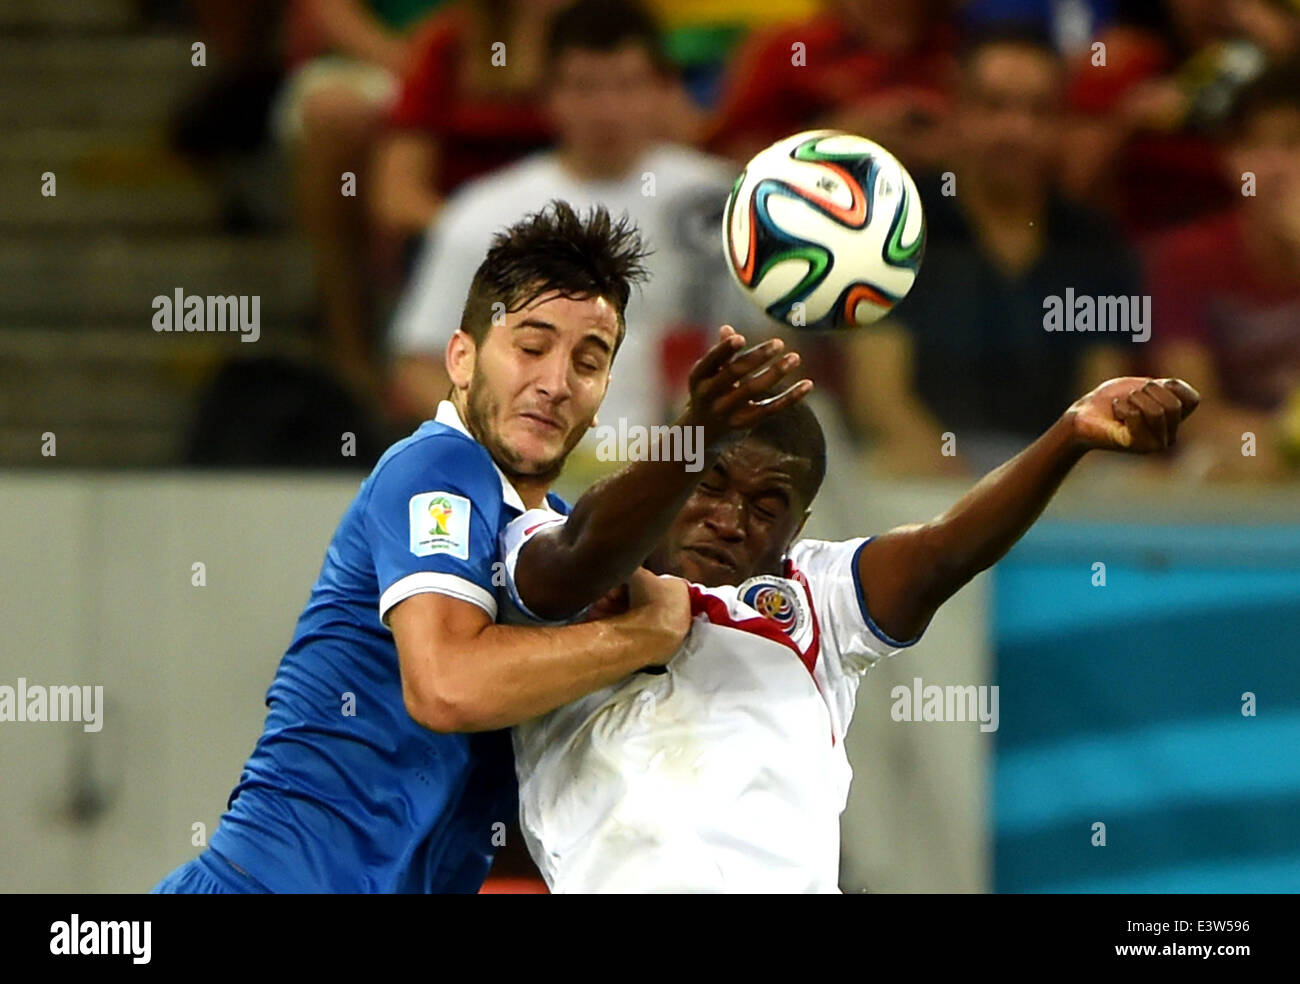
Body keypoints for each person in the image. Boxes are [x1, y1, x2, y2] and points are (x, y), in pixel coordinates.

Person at [152, 202, 807, 893]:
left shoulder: (555, 538)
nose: (555, 383)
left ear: (606, 389)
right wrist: (645, 635)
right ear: (461, 359)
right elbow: (447, 688)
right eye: (530, 346)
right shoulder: (435, 469)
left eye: (588, 361)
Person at [496, 349, 1200, 892]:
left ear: (796, 527)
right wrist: (695, 432)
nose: (730, 520)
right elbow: (578, 550)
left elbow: (940, 550)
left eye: (766, 507)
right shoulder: (557, 562)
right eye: (710, 484)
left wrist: (1070, 433)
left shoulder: (817, 596)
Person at [388, 0, 755, 462]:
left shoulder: (721, 201)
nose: (607, 109)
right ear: (549, 95)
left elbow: (769, 341)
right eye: (585, 88)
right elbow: (418, 366)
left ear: (664, 90)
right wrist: (514, 445)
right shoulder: (483, 214)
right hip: (537, 476)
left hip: (695, 466)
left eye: (628, 86)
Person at [846, 28, 1137, 477]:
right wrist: (969, 510)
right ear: (957, 110)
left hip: (1058, 477)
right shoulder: (893, 227)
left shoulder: (1096, 241)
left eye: (1037, 111)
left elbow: (1105, 398)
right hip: (924, 475)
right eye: (993, 106)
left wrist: (1036, 492)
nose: (1015, 131)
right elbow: (880, 402)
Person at [1146, 61, 1300, 481]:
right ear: (1234, 159)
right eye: (1269, 145)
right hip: (1239, 462)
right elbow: (1191, 413)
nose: (1284, 167)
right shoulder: (1188, 258)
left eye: (1297, 145)